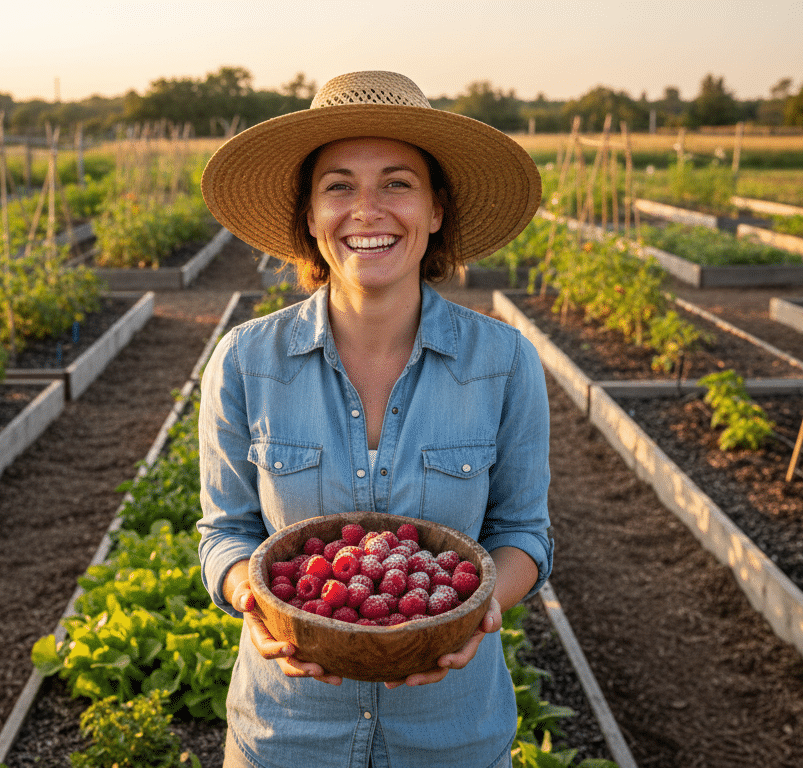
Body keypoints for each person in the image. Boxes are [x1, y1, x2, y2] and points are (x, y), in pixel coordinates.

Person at [196, 70, 552, 768]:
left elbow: (522, 536)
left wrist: (473, 613)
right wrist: (257, 603)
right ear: (308, 213)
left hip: (452, 737)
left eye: (396, 182)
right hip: (286, 736)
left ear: (436, 208)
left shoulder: (504, 361)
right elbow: (226, 533)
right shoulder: (244, 362)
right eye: (338, 186)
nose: (368, 209)